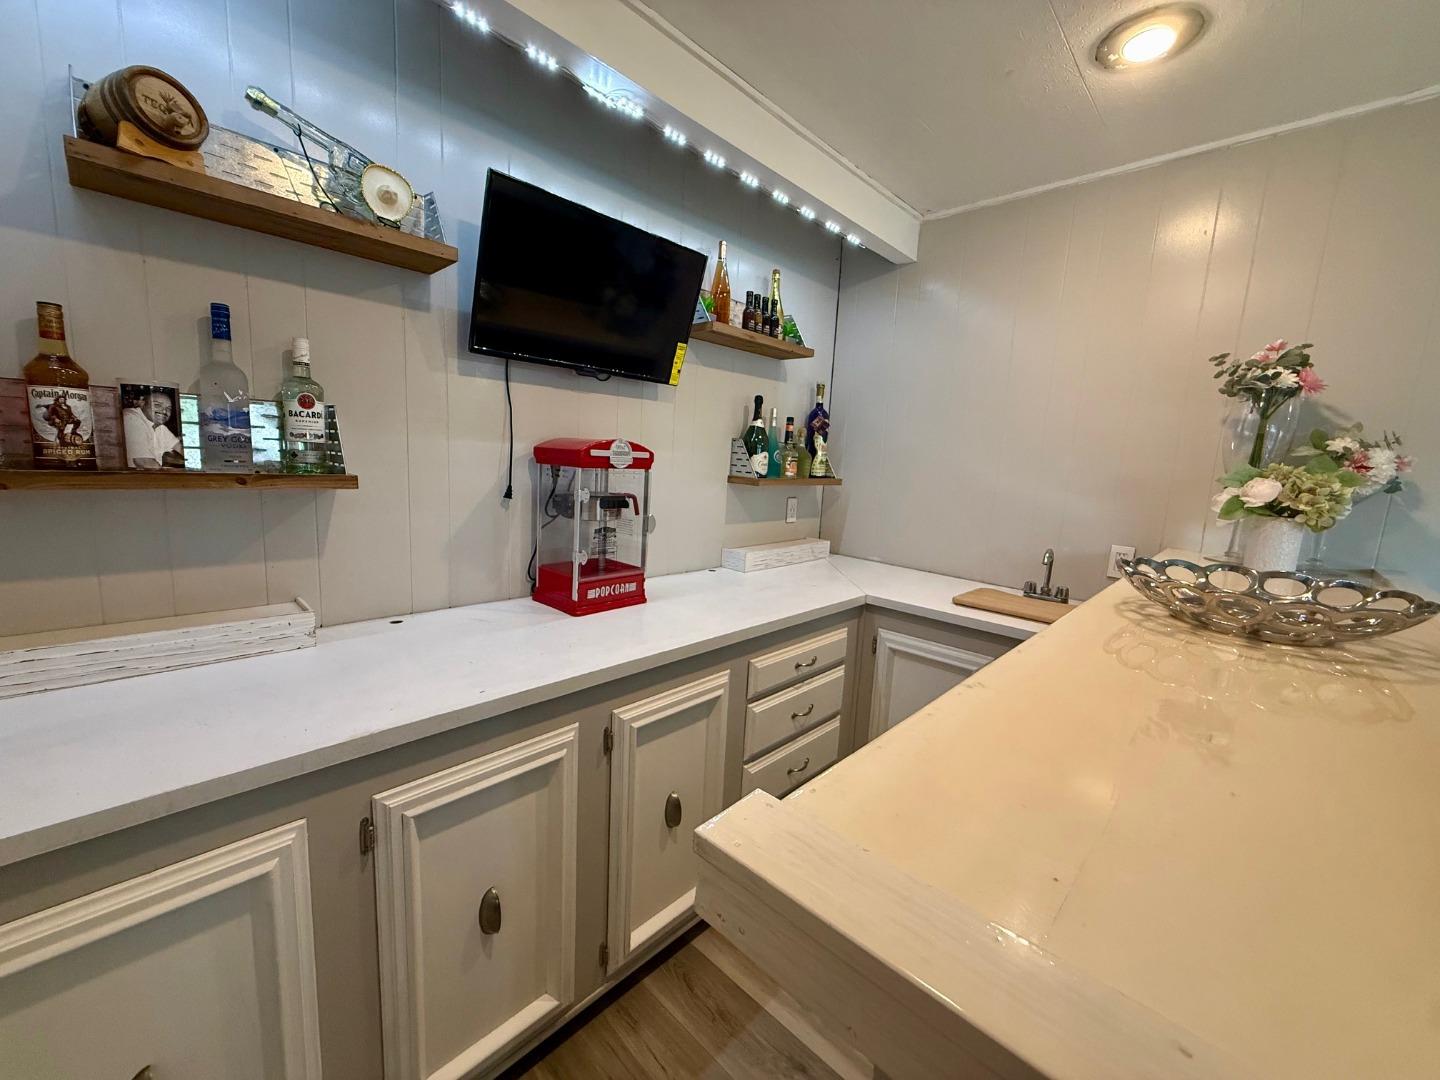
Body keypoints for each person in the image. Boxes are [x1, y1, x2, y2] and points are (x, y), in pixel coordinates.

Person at [123, 388, 184, 469]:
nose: (164, 411)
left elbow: (180, 449)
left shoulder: (160, 427)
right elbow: (144, 462)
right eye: (157, 405)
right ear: (142, 403)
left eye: (168, 408)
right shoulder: (130, 417)